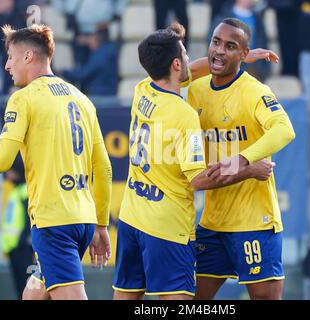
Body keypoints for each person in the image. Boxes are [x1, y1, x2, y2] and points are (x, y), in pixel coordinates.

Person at [112, 23, 276, 300]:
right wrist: (248, 170)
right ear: (176, 64)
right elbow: (198, 179)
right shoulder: (184, 115)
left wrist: (237, 57)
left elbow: (193, 69)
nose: (192, 60)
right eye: (186, 55)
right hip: (166, 227)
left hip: (131, 218)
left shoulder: (142, 90)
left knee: (127, 295)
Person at [0, 24, 112, 300]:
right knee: (33, 294)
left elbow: (1, 160)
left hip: (53, 222)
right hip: (83, 219)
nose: (7, 65)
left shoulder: (23, 98)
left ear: (28, 57)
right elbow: (103, 168)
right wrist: (100, 225)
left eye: (10, 56)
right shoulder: (82, 99)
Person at [187, 18, 296, 300]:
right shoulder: (196, 90)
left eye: (231, 46)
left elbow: (285, 130)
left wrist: (243, 160)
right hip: (212, 223)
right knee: (189, 298)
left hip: (254, 222)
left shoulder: (255, 92)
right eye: (216, 42)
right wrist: (237, 53)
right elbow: (173, 71)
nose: (220, 51)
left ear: (244, 55)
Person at [0, 154, 34, 299]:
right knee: (20, 290)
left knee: (28, 289)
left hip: (24, 249)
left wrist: (23, 241)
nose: (8, 174)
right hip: (15, 248)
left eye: (11, 170)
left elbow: (29, 222)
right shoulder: (16, 190)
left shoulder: (25, 191)